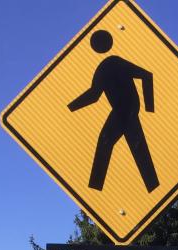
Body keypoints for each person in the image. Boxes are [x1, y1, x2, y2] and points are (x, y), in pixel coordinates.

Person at [68, 29, 159, 192]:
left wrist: (150, 109)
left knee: (107, 142)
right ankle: (152, 186)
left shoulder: (112, 63)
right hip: (124, 110)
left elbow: (147, 75)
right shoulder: (106, 66)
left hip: (126, 110)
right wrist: (71, 107)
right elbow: (94, 95)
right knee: (135, 146)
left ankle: (95, 187)